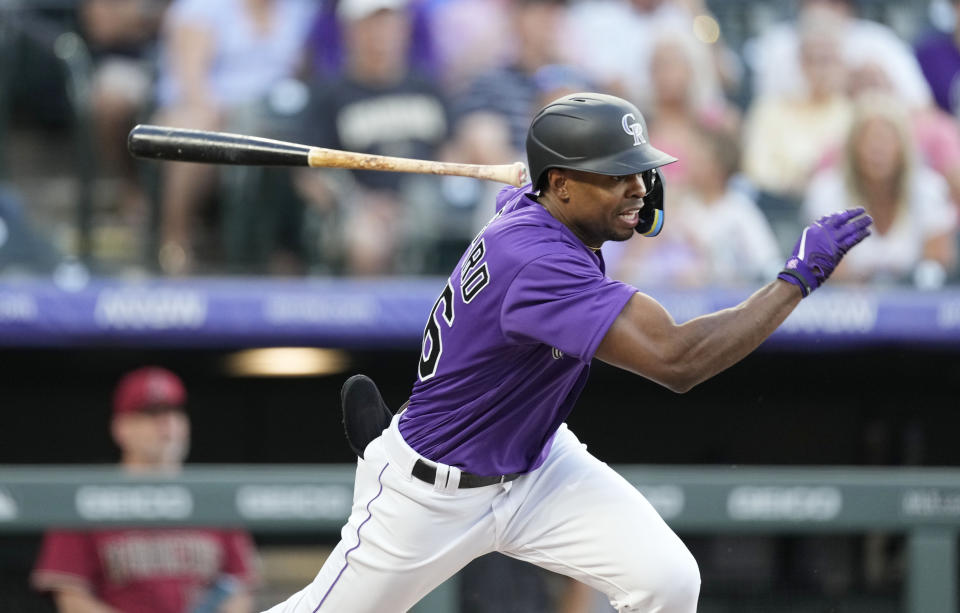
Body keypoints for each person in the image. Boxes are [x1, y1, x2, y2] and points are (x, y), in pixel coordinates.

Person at [263, 93, 872, 613]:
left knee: (667, 580)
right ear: (560, 185)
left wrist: (609, 195)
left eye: (639, 171)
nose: (639, 187)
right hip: (430, 493)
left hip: (537, 464)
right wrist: (795, 278)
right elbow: (680, 361)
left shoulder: (536, 210)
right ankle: (380, 451)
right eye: (617, 174)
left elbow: (579, 206)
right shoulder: (537, 261)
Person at [31, 366, 259, 613]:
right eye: (151, 413)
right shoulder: (86, 497)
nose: (167, 424)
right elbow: (71, 598)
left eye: (174, 412)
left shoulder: (214, 496)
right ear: (121, 428)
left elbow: (240, 589)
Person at [803, 94, 957, 286]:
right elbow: (830, 270)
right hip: (848, 305)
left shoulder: (930, 190)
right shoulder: (826, 191)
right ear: (852, 147)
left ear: (903, 148)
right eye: (868, 139)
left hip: (914, 304)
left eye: (886, 139)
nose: (877, 148)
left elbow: (938, 266)